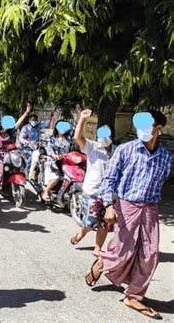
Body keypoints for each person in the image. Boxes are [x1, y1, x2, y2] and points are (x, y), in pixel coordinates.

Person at [84, 110, 171, 320]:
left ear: (157, 129)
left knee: (150, 255)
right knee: (123, 252)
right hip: (126, 205)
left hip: (150, 208)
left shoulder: (167, 157)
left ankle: (134, 295)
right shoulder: (125, 150)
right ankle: (103, 262)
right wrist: (109, 206)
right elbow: (109, 180)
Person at [69, 110, 115, 256]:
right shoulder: (93, 147)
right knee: (90, 222)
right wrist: (82, 119)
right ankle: (80, 234)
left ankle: (97, 248)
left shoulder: (118, 151)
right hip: (92, 192)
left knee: (105, 223)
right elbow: (78, 137)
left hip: (109, 194)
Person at [0, 114, 27, 199]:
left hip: (11, 155)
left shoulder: (11, 131)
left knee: (20, 165)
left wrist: (26, 113)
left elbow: (18, 123)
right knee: (0, 174)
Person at [41, 120, 73, 202]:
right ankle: (46, 191)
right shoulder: (52, 139)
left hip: (66, 162)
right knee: (57, 177)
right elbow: (49, 149)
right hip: (53, 162)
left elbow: (73, 149)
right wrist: (54, 155)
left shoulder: (69, 139)